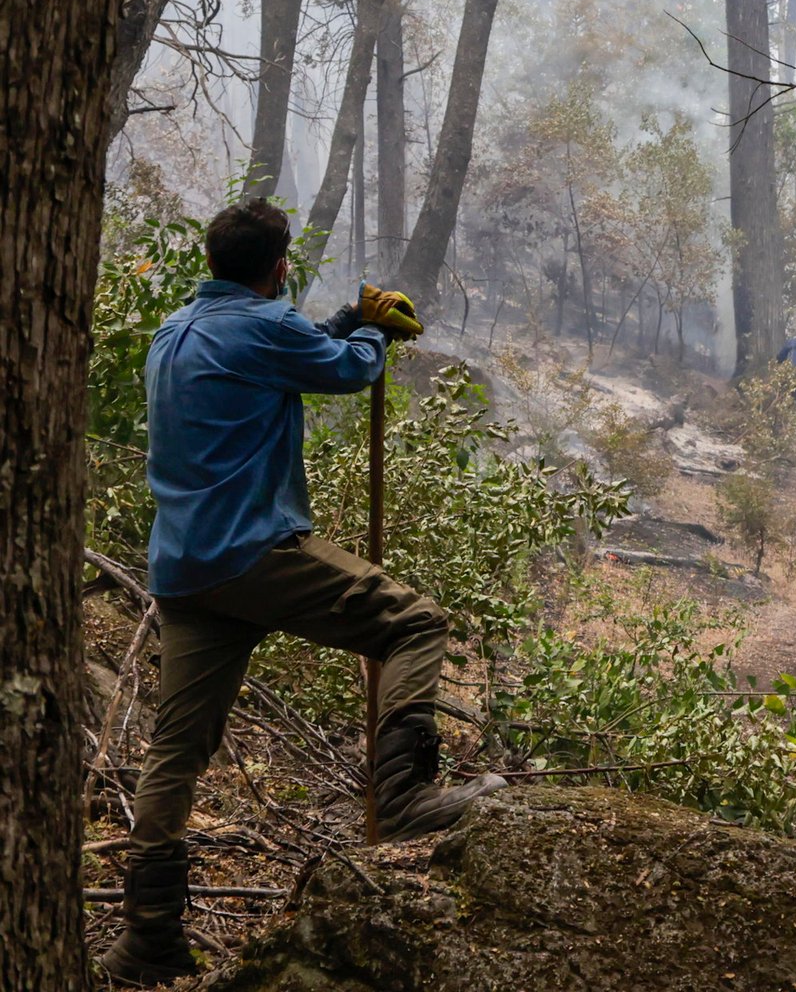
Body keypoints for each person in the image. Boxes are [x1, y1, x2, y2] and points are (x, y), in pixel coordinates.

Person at [100, 199, 505, 987]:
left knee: (176, 750)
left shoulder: (174, 331)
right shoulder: (265, 325)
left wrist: (347, 319)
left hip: (183, 570)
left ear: (213, 261)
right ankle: (407, 797)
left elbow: (293, 346)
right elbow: (349, 370)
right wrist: (372, 331)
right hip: (253, 553)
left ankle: (146, 939)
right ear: (279, 266)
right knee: (416, 624)